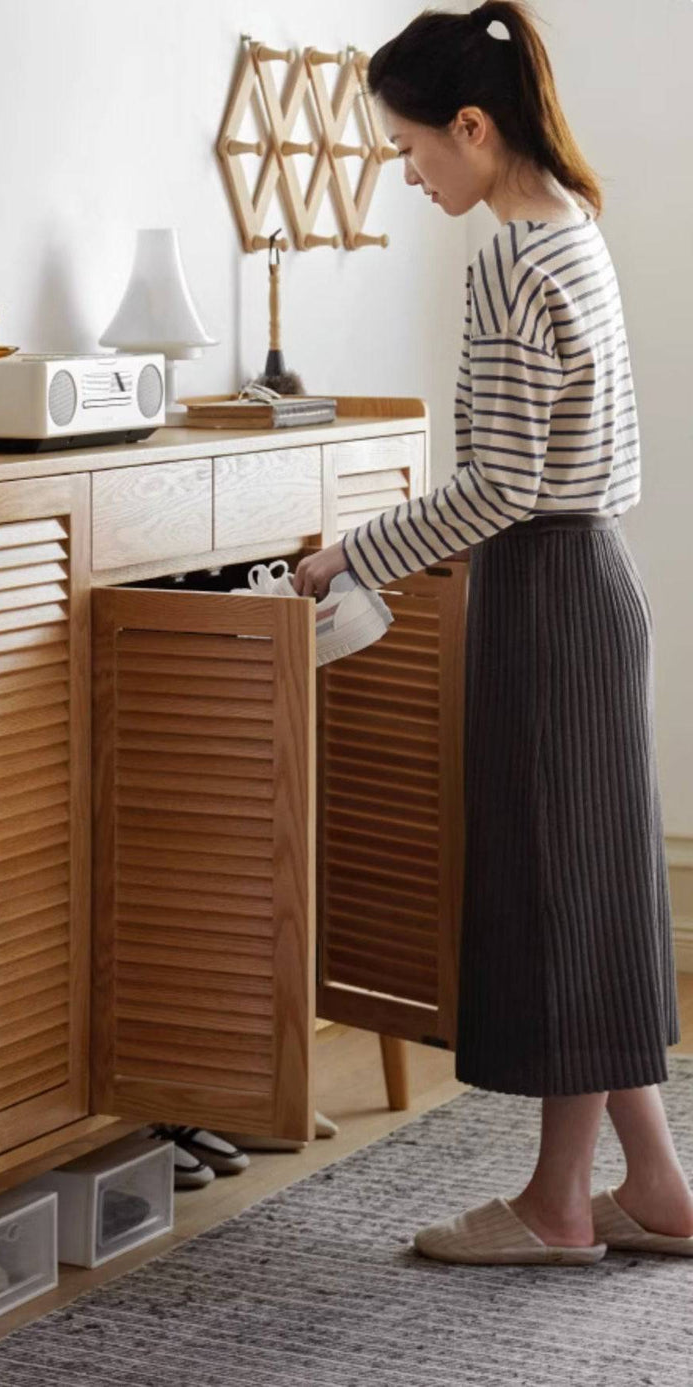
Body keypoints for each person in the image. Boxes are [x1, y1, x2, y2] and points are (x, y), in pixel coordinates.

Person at [293, 0, 693, 1264]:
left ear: (474, 126)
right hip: (589, 582)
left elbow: (501, 486)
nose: (409, 177)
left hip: (547, 592)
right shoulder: (572, 230)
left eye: (413, 150)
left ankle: (556, 1206)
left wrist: (356, 551)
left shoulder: (514, 260)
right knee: (594, 890)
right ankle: (657, 1186)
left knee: (565, 898)